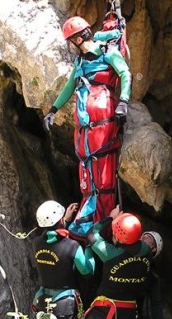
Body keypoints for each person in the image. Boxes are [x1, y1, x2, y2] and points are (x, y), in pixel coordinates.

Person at [43, 16, 132, 240]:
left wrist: (123, 102)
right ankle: (90, 218)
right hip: (85, 129)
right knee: (88, 170)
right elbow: (69, 86)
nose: (70, 45)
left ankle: (101, 220)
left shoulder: (106, 52)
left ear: (78, 38)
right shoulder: (80, 63)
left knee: (102, 170)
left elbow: (124, 73)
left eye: (71, 40)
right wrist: (53, 109)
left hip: (103, 124)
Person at [77, 207, 152, 319]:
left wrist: (111, 217)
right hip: (128, 315)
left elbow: (91, 235)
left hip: (104, 313)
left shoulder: (111, 254)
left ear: (118, 236)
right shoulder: (147, 253)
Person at [31, 200, 95, 319]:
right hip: (65, 305)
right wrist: (90, 247)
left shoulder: (36, 243)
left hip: (44, 302)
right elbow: (87, 270)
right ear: (59, 219)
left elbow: (53, 239)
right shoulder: (72, 246)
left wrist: (65, 220)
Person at [137, 231, 165, 319]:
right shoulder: (123, 253)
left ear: (153, 249)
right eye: (144, 236)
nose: (144, 238)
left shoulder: (151, 275)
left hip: (131, 315)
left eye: (149, 239)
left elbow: (156, 303)